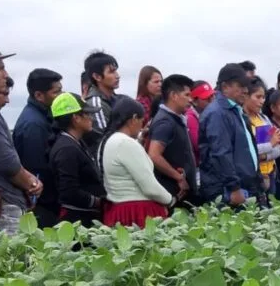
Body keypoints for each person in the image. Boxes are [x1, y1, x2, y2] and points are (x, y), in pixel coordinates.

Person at [0, 38, 42, 239]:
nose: (6, 75)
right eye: (0, 68)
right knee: (5, 268)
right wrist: (32, 182)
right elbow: (7, 164)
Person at [98, 96, 175, 226]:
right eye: (141, 120)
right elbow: (150, 188)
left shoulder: (107, 141)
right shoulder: (125, 143)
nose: (142, 125)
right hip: (137, 212)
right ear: (133, 119)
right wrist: (170, 200)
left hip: (119, 209)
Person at [199, 63, 263, 207]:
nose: (245, 90)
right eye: (240, 86)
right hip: (228, 190)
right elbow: (221, 153)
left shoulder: (234, 110)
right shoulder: (217, 113)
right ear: (225, 86)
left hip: (244, 185)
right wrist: (234, 188)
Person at [13, 68, 63, 227]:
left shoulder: (43, 116)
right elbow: (38, 169)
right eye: (56, 92)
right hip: (42, 205)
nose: (61, 96)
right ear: (39, 95)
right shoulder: (34, 125)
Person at [48, 92, 106, 226]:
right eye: (88, 114)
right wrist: (98, 202)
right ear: (76, 118)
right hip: (77, 221)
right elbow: (69, 191)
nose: (91, 118)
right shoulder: (67, 149)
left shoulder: (75, 142)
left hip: (85, 217)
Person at [148, 74, 198, 206]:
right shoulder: (165, 122)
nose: (191, 99)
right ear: (174, 96)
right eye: (187, 95)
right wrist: (178, 177)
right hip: (174, 192)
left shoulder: (176, 118)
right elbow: (154, 155)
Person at [244, 77, 280, 195]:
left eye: (263, 97)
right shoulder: (242, 120)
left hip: (270, 172)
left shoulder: (264, 119)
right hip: (255, 175)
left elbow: (278, 148)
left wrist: (264, 156)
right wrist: (270, 144)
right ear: (246, 96)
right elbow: (248, 150)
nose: (262, 101)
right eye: (258, 97)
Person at [84, 50, 120, 152]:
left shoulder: (115, 99)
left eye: (116, 71)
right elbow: (105, 140)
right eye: (111, 72)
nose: (117, 76)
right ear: (97, 76)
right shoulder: (95, 105)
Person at [185, 81, 215, 164]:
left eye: (212, 96)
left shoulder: (211, 114)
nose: (212, 100)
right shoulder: (190, 118)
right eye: (207, 99)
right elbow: (199, 146)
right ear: (194, 101)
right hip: (201, 167)